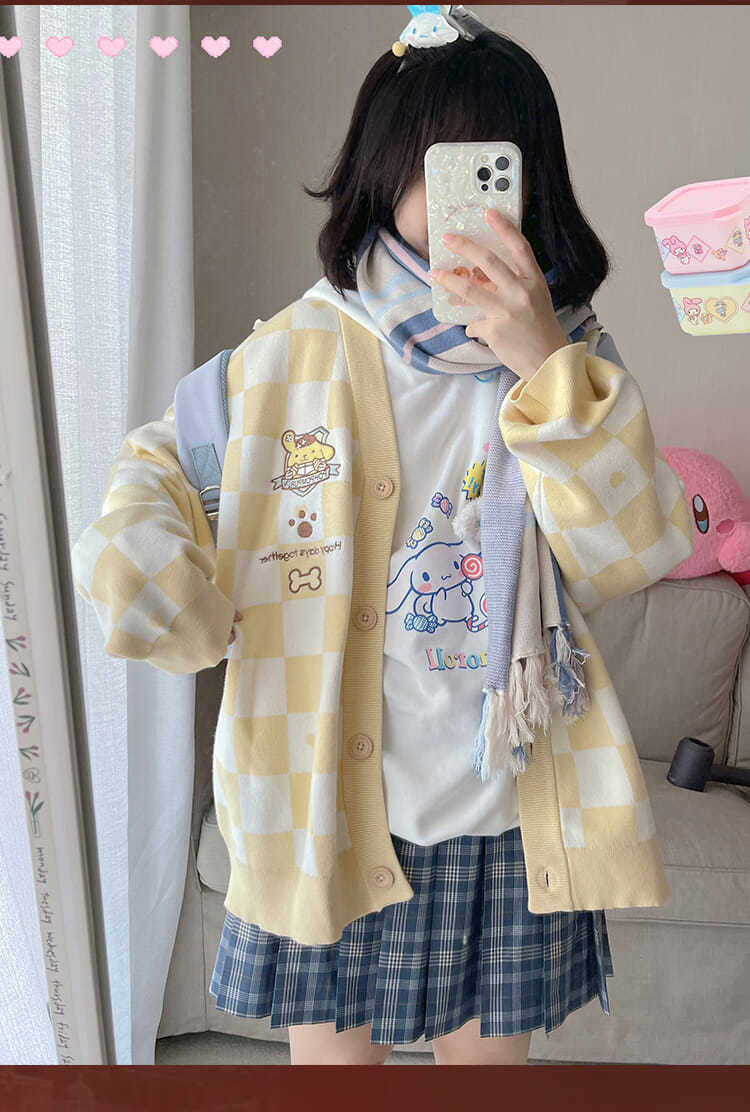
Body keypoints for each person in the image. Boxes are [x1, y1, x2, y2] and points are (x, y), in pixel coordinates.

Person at [71, 6, 694, 1066]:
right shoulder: (293, 351)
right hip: (326, 805)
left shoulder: (573, 357)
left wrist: (541, 358)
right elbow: (157, 473)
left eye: (502, 168)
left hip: (502, 811)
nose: (474, 202)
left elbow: (632, 548)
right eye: (444, 167)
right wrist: (156, 577)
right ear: (385, 163)